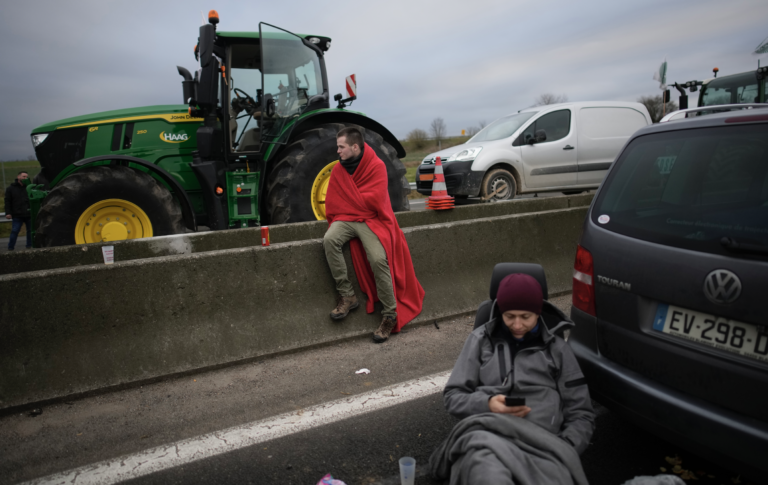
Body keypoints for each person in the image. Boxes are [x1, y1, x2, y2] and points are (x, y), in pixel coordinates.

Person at [430, 273, 595, 484]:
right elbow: (453, 396)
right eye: (509, 316)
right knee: (485, 471)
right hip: (490, 435)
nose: (517, 325)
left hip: (544, 443)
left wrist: (566, 446)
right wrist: (487, 404)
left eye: (525, 317)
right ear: (500, 312)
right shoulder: (480, 341)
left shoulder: (558, 350)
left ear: (538, 313)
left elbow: (581, 413)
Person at [323, 127, 424, 343]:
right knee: (330, 240)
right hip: (346, 217)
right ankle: (347, 295)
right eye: (337, 147)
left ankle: (390, 314)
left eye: (341, 147)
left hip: (370, 220)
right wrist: (351, 206)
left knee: (378, 259)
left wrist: (353, 204)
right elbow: (334, 199)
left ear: (355, 147)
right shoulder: (339, 170)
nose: (338, 151)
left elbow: (376, 200)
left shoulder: (376, 165)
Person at [5, 171, 32, 250]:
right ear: (18, 177)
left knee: (30, 232)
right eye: (23, 176)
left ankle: (29, 247)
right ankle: (10, 248)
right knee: (15, 231)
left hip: (28, 214)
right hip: (17, 214)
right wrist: (8, 213)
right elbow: (8, 201)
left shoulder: (29, 188)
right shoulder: (11, 189)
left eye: (26, 177)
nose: (25, 178)